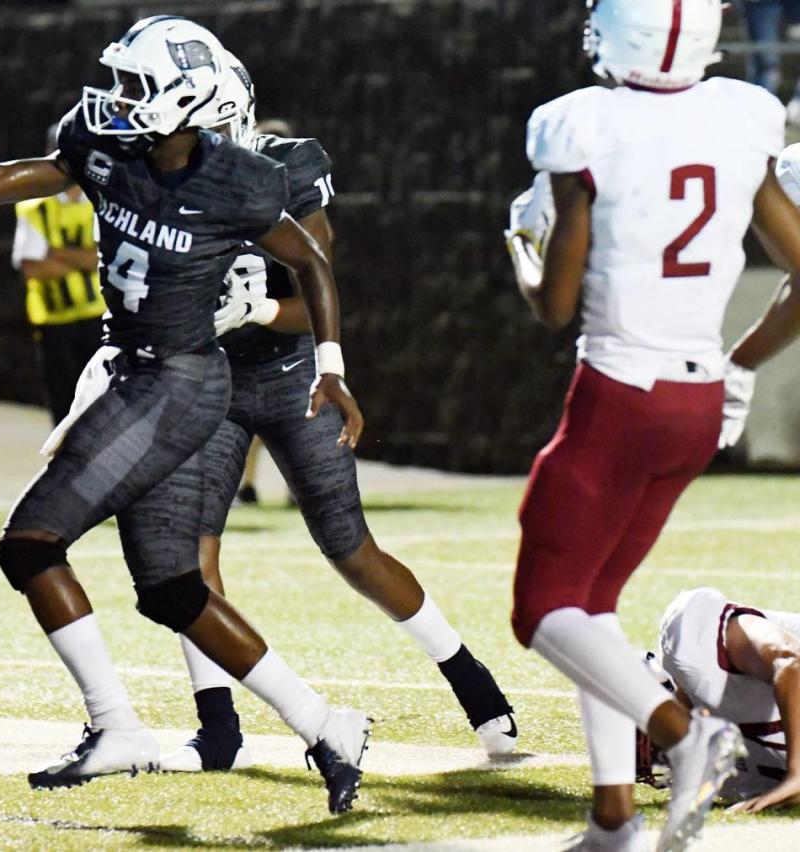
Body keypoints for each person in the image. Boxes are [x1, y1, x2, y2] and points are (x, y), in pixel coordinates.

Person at [0, 15, 371, 815]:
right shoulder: (102, 146)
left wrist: (333, 368)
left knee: (32, 544)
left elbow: (311, 262)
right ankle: (327, 725)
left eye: (135, 88)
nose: (114, 99)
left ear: (188, 98)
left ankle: (117, 728)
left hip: (177, 383)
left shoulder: (239, 181)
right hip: (129, 371)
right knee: (172, 590)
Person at [145, 56, 516, 773]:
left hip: (290, 377)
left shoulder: (289, 165)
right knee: (192, 558)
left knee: (352, 550)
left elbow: (317, 290)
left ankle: (472, 681)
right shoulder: (162, 178)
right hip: (212, 385)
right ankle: (217, 727)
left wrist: (253, 310)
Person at [504, 1, 800, 848]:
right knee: (594, 605)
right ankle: (613, 818)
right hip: (697, 407)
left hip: (620, 395)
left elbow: (554, 307)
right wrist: (740, 360)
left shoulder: (582, 125)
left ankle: (685, 734)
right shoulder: (740, 115)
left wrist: (524, 252)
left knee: (541, 609)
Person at [638, 587, 800, 812]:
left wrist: (796, 774)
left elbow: (790, 660)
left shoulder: (688, 653)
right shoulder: (728, 775)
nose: (647, 750)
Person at [11, 124, 105, 424]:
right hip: (54, 322)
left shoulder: (102, 199)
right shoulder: (35, 207)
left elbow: (102, 258)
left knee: (103, 401)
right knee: (63, 406)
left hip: (99, 319)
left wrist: (57, 252)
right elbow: (34, 267)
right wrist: (84, 258)